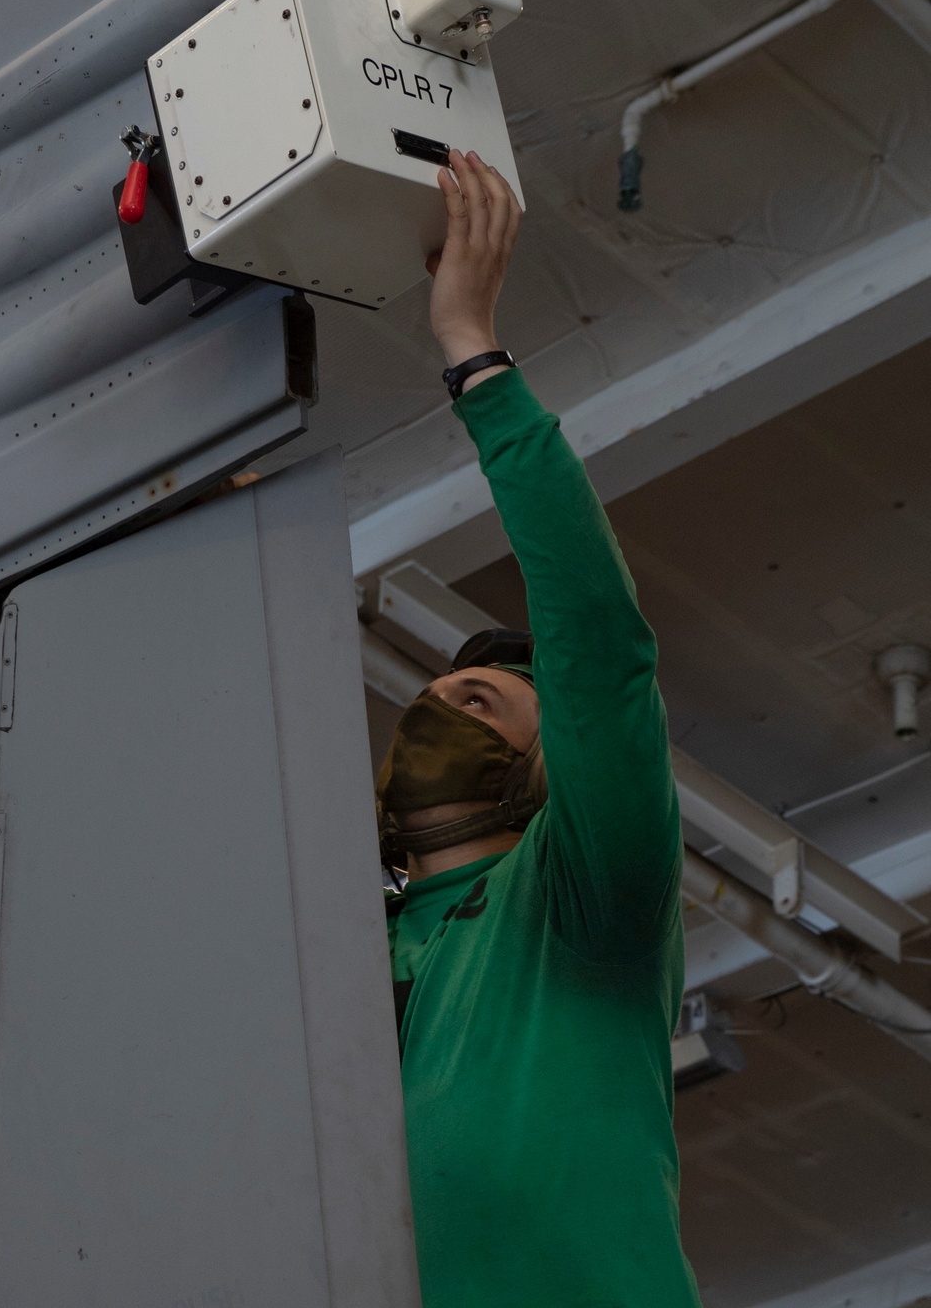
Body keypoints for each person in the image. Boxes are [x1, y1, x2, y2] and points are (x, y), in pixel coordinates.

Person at [376, 149, 702, 1308]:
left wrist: (473, 353)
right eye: (436, 691)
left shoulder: (587, 910)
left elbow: (601, 653)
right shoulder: (347, 964)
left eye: (491, 698)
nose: (446, 692)